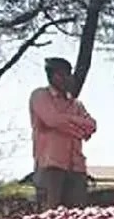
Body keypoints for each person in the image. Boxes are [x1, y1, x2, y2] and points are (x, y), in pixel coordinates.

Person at [29, 57, 96, 209]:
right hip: (51, 165)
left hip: (76, 167)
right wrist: (78, 129)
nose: (67, 79)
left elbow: (92, 125)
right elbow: (51, 120)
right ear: (52, 76)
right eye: (62, 74)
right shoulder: (40, 95)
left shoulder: (76, 104)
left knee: (76, 217)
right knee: (49, 215)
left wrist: (65, 122)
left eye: (68, 74)